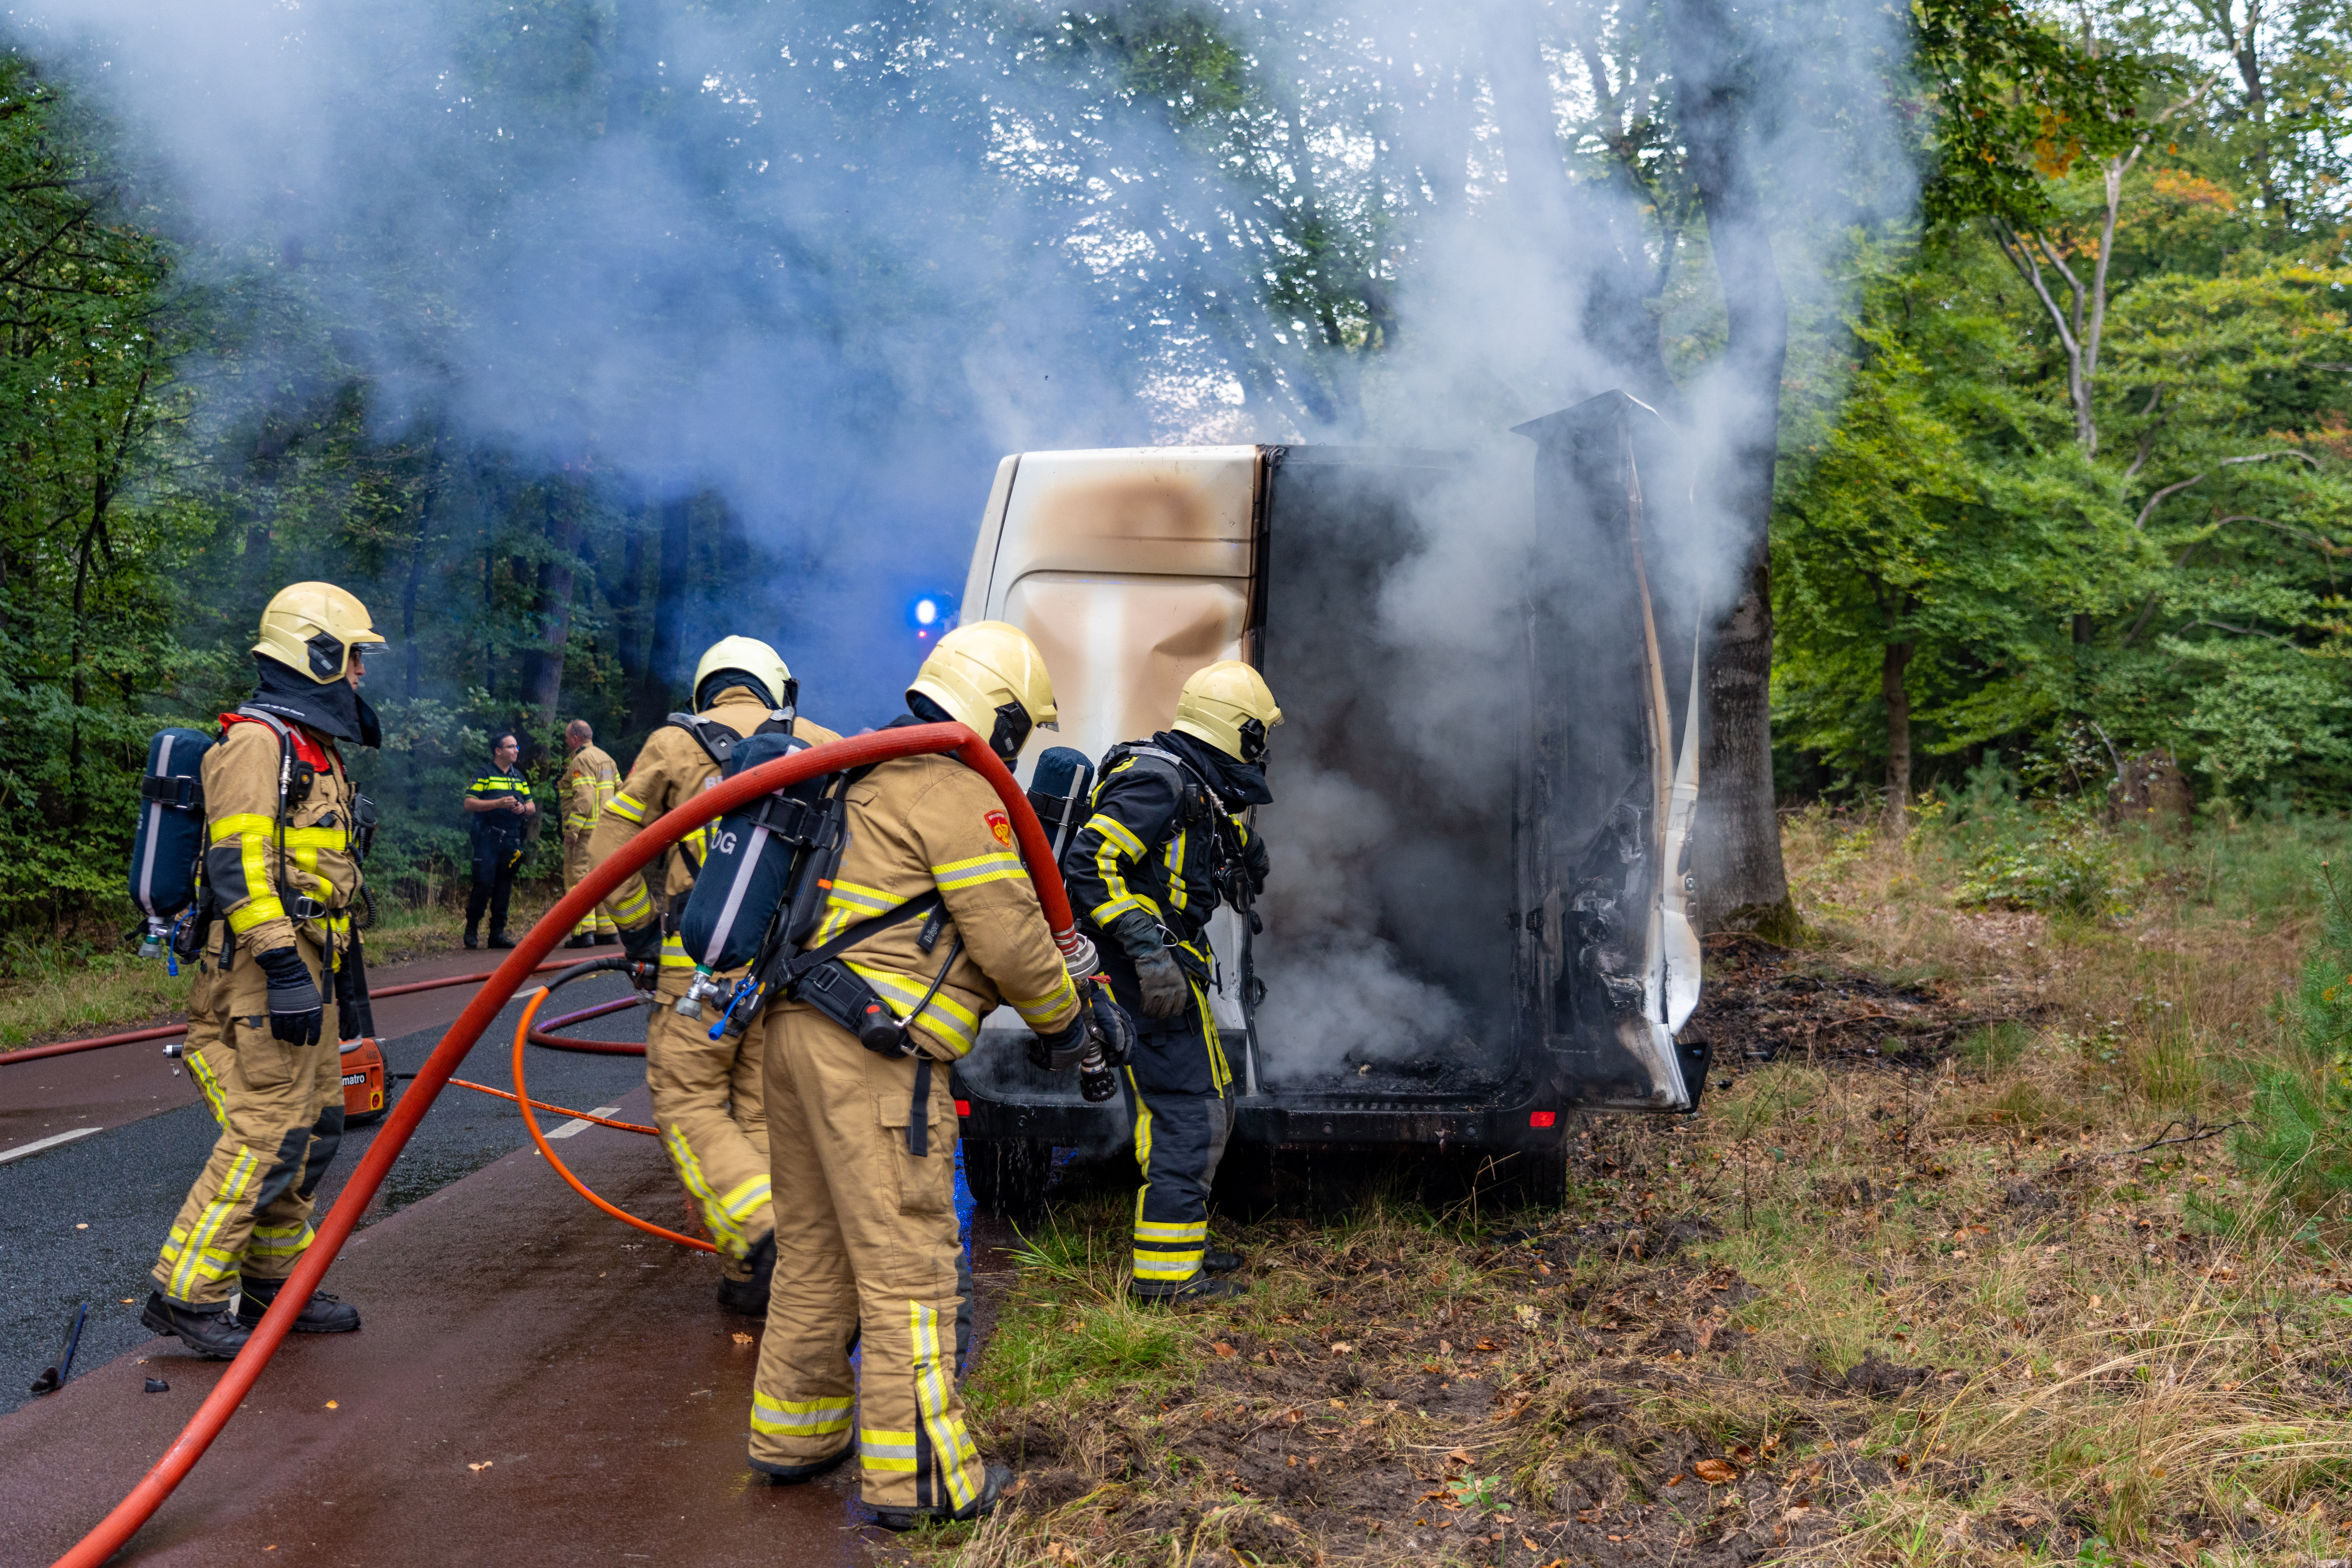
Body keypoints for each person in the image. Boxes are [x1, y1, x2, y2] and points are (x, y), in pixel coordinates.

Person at [746, 620, 1124, 1527]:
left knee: (816, 1251)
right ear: (996, 719)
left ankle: (794, 1435)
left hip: (794, 1036)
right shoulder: (954, 792)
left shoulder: (859, 775)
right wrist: (1071, 1027)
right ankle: (922, 1480)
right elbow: (1010, 939)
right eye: (1019, 731)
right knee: (911, 1266)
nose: (1015, 751)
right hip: (878, 1058)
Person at [142, 582, 385, 1358]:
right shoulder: (256, 743)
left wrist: (334, 978)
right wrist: (281, 963)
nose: (359, 674)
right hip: (260, 968)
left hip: (310, 964)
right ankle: (189, 1292)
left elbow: (323, 869)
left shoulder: (316, 750)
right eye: (352, 656)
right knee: (267, 1132)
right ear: (315, 652)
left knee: (316, 1127)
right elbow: (237, 865)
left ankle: (272, 1284)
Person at [585, 637, 840, 1314]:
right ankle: (755, 1278)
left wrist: (640, 932)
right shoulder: (818, 739)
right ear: (776, 688)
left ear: (708, 692)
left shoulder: (675, 744)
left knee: (688, 1101)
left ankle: (760, 1228)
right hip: (783, 974)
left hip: (698, 972)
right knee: (760, 1116)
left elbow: (609, 844)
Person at [1064, 660, 1281, 1303]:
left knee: (1211, 1100)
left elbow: (1196, 836)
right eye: (1257, 734)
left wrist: (1240, 849)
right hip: (1142, 977)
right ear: (1237, 730)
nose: (1260, 749)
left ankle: (1182, 1241)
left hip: (1170, 970)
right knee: (1186, 1114)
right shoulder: (1158, 780)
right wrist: (1144, 948)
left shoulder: (1190, 780)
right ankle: (1166, 1280)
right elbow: (1089, 862)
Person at [461, 730, 536, 949]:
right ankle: (472, 931)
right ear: (498, 751)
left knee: (505, 887)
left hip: (512, 840)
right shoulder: (483, 774)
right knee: (483, 885)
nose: (516, 751)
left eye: (517, 747)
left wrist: (523, 808)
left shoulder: (518, 777)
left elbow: (532, 806)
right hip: (488, 839)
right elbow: (469, 803)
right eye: (511, 747)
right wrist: (497, 803)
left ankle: (497, 934)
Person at [558, 719, 620, 950]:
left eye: (567, 738)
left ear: (576, 738)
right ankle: (607, 930)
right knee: (601, 880)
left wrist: (573, 830)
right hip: (606, 831)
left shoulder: (581, 760)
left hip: (586, 833)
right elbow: (622, 790)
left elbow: (584, 798)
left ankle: (584, 933)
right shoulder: (607, 759)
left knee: (578, 881)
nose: (566, 742)